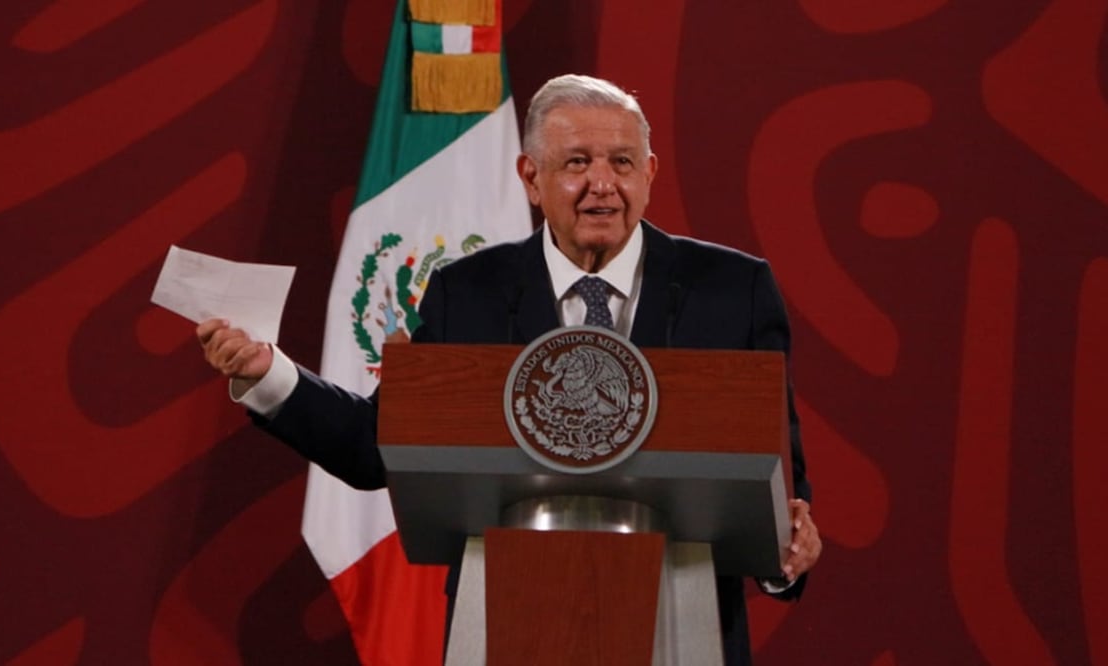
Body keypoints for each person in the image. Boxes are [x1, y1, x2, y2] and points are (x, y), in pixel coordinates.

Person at [198, 73, 821, 665]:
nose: (602, 183)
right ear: (531, 176)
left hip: (683, 627)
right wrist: (269, 375)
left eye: (622, 162)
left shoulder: (733, 290)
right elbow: (379, 448)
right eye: (577, 162)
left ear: (650, 173)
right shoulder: (467, 292)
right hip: (505, 623)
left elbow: (775, 472)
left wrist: (784, 550)